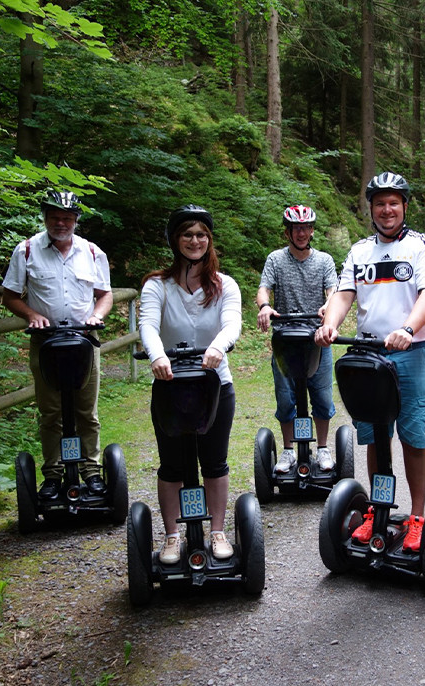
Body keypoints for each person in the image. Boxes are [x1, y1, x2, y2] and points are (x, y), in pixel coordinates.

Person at [314, 172, 425, 552]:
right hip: (369, 356)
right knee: (373, 435)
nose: (387, 210)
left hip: (412, 353)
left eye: (394, 203)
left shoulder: (421, 246)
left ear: (404, 206)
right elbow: (342, 294)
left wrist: (407, 328)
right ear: (370, 208)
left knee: (413, 436)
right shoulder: (360, 251)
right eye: (380, 203)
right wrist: (329, 325)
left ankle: (417, 517)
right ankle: (378, 509)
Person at [139, 205, 242, 564]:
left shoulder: (224, 285)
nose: (195, 241)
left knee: (214, 462)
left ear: (209, 240)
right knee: (173, 465)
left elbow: (231, 324)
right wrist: (156, 355)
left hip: (215, 386)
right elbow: (149, 325)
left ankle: (217, 532)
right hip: (170, 385)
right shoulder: (158, 286)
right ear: (175, 240)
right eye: (187, 234)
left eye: (201, 235)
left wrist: (217, 346)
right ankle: (171, 537)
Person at [3, 189, 113, 500]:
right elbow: (10, 296)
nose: (60, 223)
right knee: (50, 412)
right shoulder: (26, 251)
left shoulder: (92, 252)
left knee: (86, 411)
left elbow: (105, 294)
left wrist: (96, 315)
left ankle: (91, 471)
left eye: (66, 217)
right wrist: (32, 314)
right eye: (55, 217)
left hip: (83, 342)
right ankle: (52, 474)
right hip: (46, 343)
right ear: (45, 218)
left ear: (76, 220)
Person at [256, 204, 339, 473]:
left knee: (323, 397)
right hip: (285, 341)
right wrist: (265, 307)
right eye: (296, 228)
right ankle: (289, 451)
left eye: (306, 228)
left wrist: (329, 306)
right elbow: (263, 289)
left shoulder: (324, 261)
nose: (301, 233)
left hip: (317, 339)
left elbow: (333, 291)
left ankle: (324, 448)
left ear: (312, 231)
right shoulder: (275, 260)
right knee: (285, 398)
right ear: (288, 232)